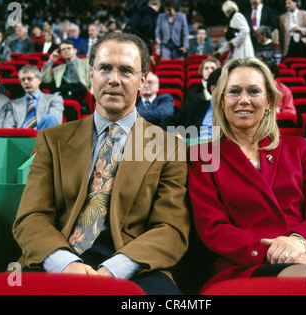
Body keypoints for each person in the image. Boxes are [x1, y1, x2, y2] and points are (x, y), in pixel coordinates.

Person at [12, 32, 190, 295]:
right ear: (92, 75)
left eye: (126, 71)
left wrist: (113, 270)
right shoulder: (53, 140)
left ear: (142, 80)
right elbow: (31, 216)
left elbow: (170, 228)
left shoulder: (170, 147)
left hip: (135, 268)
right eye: (105, 68)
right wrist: (66, 263)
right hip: (56, 258)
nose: (114, 80)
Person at [188, 57, 306, 290]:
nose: (244, 100)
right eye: (234, 92)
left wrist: (299, 243)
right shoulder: (203, 155)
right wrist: (279, 253)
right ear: (221, 101)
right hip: (247, 263)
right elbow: (213, 227)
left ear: (269, 101)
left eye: (254, 91)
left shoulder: (299, 149)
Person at [162, 67, 222, 140]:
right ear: (213, 89)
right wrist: (176, 134)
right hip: (196, 149)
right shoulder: (193, 107)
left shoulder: (237, 110)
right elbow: (168, 122)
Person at [3, 65, 63, 130]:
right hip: (21, 136)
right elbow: (7, 126)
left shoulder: (54, 99)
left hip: (43, 135)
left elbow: (54, 123)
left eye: (29, 79)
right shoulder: (14, 104)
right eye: (23, 80)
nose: (26, 82)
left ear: (39, 80)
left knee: (49, 118)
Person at [41, 40, 91, 110]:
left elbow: (96, 79)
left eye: (69, 48)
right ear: (61, 53)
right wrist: (50, 62)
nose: (66, 51)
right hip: (65, 93)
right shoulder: (57, 69)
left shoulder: (87, 63)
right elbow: (45, 80)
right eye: (63, 49)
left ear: (75, 50)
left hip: (82, 92)